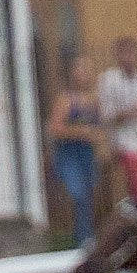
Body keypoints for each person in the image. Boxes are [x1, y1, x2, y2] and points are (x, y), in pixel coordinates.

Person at [97, 37, 137, 205]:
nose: (129, 58)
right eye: (124, 53)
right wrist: (135, 109)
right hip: (124, 142)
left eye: (132, 53)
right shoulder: (108, 80)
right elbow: (108, 116)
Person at [48, 54, 102, 242]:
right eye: (81, 69)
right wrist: (81, 131)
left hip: (87, 154)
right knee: (77, 192)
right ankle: (78, 238)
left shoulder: (94, 99)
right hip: (69, 154)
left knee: (89, 194)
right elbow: (55, 128)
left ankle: (86, 236)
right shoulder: (65, 99)